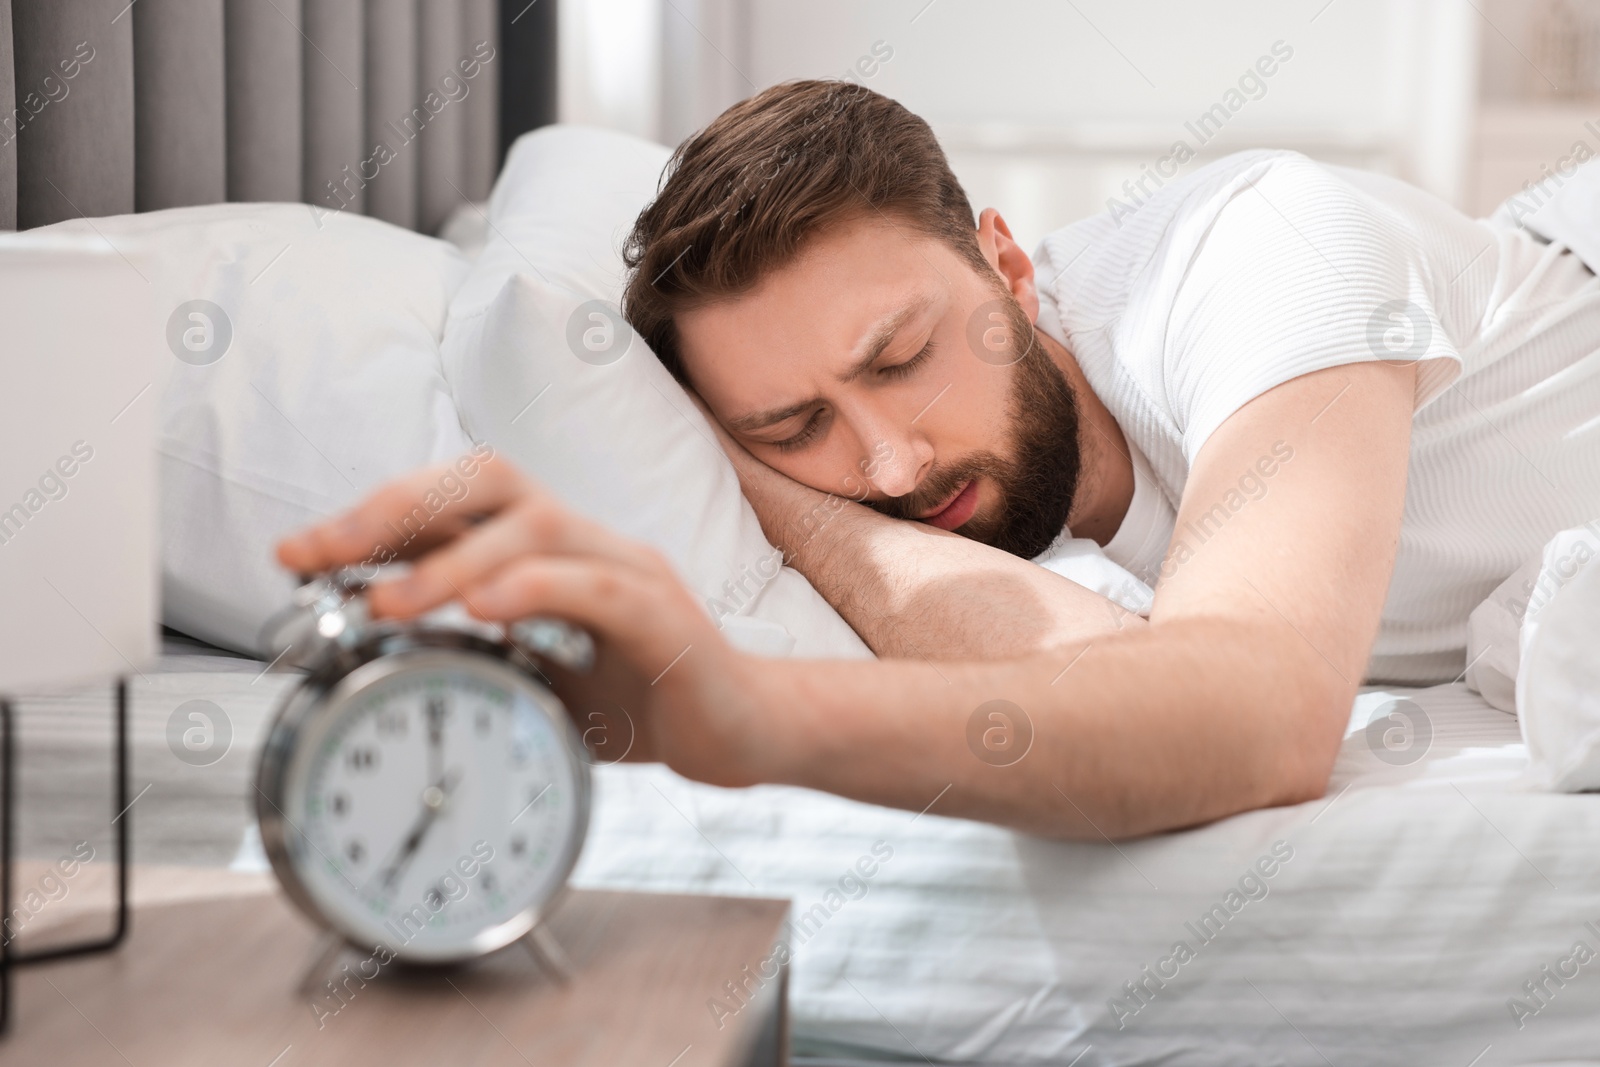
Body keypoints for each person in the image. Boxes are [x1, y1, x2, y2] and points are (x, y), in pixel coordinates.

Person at [278, 81, 1600, 839]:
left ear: (1008, 267)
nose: (895, 459)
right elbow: (1116, 683)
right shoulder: (987, 501)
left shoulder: (1262, 251)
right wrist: (753, 483)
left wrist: (748, 713)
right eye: (795, 428)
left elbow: (1259, 718)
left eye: (903, 354)